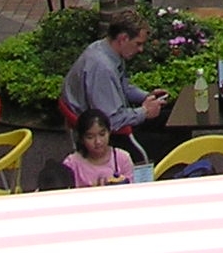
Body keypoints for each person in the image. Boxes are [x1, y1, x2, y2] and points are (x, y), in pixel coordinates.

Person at [61, 12, 171, 157]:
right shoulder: (102, 68)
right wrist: (144, 112)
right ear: (123, 39)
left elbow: (122, 87)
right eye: (138, 43)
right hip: (108, 136)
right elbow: (112, 121)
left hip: (107, 120)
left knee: (169, 115)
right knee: (173, 138)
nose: (141, 49)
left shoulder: (106, 50)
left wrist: (146, 96)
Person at [62, 107, 135, 186]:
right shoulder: (71, 164)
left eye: (102, 134)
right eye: (90, 137)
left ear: (109, 132)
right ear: (82, 139)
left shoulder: (122, 158)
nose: (98, 141)